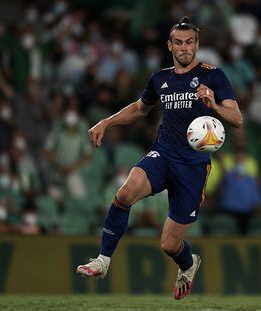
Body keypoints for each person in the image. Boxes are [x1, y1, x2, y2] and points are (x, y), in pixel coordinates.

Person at [76, 16, 242, 299]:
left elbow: (236, 118)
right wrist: (106, 122)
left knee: (168, 245)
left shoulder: (213, 76)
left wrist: (213, 104)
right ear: (170, 45)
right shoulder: (160, 79)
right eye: (179, 42)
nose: (184, 48)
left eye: (189, 42)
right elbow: (140, 109)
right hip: (163, 154)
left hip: (193, 166)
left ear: (197, 45)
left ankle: (188, 264)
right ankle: (103, 260)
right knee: (126, 192)